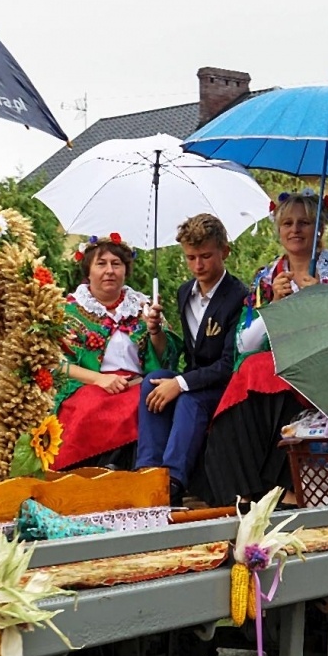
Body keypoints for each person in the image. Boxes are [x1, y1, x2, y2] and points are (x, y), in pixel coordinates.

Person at [202, 192, 328, 505]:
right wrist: (275, 306)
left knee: (276, 375)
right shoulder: (266, 277)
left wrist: (319, 299)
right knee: (253, 373)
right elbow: (244, 343)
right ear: (278, 230)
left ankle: (287, 486)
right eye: (288, 223)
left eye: (305, 222)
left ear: (319, 228)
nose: (295, 230)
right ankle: (244, 489)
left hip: (323, 367)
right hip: (275, 366)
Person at [134, 213, 248, 504]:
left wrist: (182, 383)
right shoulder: (185, 292)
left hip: (225, 385)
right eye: (190, 257)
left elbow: (229, 363)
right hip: (197, 378)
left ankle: (173, 481)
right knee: (150, 383)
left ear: (225, 251)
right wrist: (157, 329)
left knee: (187, 398)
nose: (198, 265)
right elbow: (187, 350)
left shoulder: (239, 296)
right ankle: (147, 471)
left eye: (206, 256)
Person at [54, 234, 177, 471]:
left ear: (125, 270)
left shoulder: (143, 306)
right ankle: (88, 474)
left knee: (149, 401)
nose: (109, 270)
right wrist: (100, 379)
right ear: (88, 271)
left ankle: (141, 472)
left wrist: (155, 330)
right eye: (101, 264)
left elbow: (164, 357)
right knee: (88, 407)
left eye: (116, 264)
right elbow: (55, 362)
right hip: (89, 385)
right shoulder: (68, 311)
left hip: (138, 384)